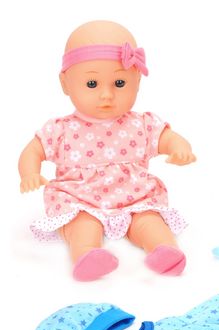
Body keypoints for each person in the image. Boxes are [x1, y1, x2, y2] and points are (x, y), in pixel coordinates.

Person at [18, 20, 196, 281]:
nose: (106, 95)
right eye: (92, 84)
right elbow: (32, 151)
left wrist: (179, 148)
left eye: (119, 83)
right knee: (82, 225)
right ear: (65, 83)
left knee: (149, 220)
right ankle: (87, 255)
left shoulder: (141, 124)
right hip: (80, 198)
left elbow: (168, 137)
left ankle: (164, 250)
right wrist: (29, 173)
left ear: (137, 81)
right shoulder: (61, 129)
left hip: (134, 196)